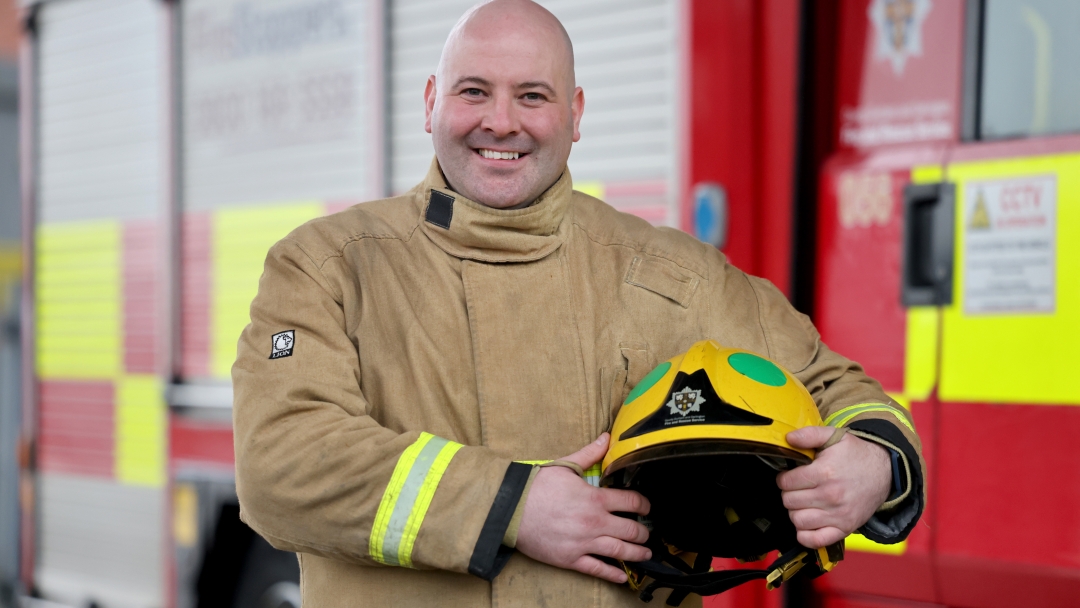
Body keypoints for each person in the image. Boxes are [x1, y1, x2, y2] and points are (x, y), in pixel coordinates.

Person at [232, 1, 925, 606]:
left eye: (532, 96)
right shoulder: (327, 266)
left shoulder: (675, 275)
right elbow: (282, 464)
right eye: (474, 91)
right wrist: (512, 504)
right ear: (429, 103)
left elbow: (837, 388)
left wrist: (873, 462)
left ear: (575, 113)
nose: (501, 122)